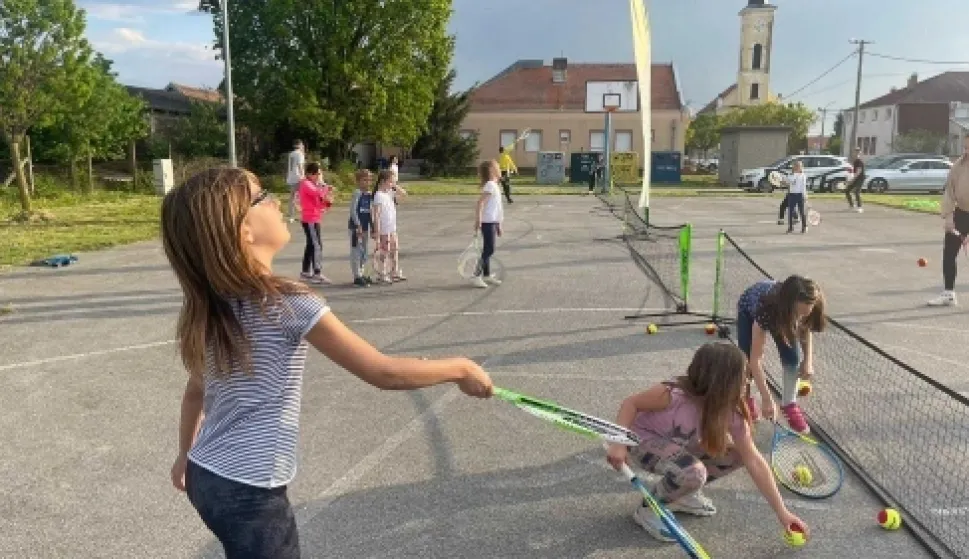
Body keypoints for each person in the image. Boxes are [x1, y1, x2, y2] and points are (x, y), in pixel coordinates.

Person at [161, 167, 493, 559]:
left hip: (206, 474)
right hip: (250, 489)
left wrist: (185, 454)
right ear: (243, 231)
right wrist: (461, 369)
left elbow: (194, 393)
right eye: (261, 195)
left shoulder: (207, 307)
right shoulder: (287, 303)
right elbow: (381, 372)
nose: (277, 200)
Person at [606, 343, 810, 543]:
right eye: (742, 378)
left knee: (737, 454)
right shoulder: (671, 395)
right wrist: (618, 443)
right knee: (693, 473)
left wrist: (782, 512)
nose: (746, 383)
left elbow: (754, 461)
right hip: (640, 440)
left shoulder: (732, 412)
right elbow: (630, 403)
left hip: (677, 447)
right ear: (720, 382)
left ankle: (681, 494)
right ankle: (649, 509)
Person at [736, 275, 826, 435]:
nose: (800, 319)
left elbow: (805, 328)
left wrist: (808, 360)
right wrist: (766, 398)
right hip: (749, 309)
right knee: (746, 361)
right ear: (788, 306)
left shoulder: (810, 302)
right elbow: (755, 359)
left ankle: (789, 404)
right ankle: (745, 398)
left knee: (793, 358)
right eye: (798, 313)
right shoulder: (766, 309)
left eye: (805, 314)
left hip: (782, 315)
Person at [928, 136, 969, 306]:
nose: (966, 151)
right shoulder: (959, 165)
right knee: (949, 253)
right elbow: (949, 192)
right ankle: (949, 293)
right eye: (965, 147)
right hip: (961, 213)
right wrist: (949, 216)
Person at [297, 163, 333, 285]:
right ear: (309, 174)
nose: (318, 176)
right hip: (310, 219)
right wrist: (325, 188)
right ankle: (317, 273)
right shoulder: (305, 183)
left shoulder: (313, 184)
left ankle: (305, 272)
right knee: (317, 245)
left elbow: (320, 201)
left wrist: (327, 202)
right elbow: (317, 193)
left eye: (319, 174)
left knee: (311, 245)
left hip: (314, 217)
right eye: (317, 174)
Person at [471, 160, 504, 289]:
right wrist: (478, 219)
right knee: (489, 250)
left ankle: (486, 275)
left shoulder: (494, 185)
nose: (500, 169)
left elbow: (497, 208)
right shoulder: (490, 185)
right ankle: (476, 275)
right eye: (498, 167)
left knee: (488, 249)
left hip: (492, 222)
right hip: (487, 222)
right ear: (492, 171)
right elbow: (480, 203)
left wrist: (499, 224)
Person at [371, 170, 401, 283]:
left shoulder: (389, 193)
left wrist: (395, 186)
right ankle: (382, 273)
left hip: (392, 227)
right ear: (383, 181)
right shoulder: (378, 195)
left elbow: (404, 194)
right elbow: (376, 215)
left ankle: (394, 272)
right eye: (390, 182)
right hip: (384, 229)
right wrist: (377, 233)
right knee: (385, 250)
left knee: (395, 248)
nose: (392, 184)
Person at [348, 169, 374, 287]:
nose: (367, 182)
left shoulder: (369, 195)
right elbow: (353, 211)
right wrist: (358, 225)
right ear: (358, 181)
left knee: (364, 252)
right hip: (355, 227)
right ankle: (356, 276)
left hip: (365, 227)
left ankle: (361, 273)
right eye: (364, 180)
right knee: (356, 252)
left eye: (369, 180)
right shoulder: (357, 193)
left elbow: (370, 213)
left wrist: (373, 227)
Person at [784, 161, 809, 234]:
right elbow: (788, 182)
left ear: (801, 167)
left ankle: (804, 227)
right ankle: (791, 228)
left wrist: (805, 196)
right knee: (790, 212)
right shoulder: (791, 175)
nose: (797, 167)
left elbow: (803, 187)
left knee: (801, 211)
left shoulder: (803, 176)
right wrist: (784, 181)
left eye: (799, 166)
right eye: (796, 166)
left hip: (799, 195)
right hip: (792, 195)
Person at [285, 140, 305, 222]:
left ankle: (291, 216)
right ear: (300, 145)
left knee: (292, 197)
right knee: (303, 197)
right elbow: (300, 166)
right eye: (302, 145)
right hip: (298, 178)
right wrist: (303, 176)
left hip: (291, 177)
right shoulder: (299, 154)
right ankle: (304, 215)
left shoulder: (291, 154)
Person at [845, 147, 865, 213]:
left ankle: (860, 207)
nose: (856, 153)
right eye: (855, 152)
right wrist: (849, 179)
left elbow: (858, 172)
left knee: (856, 192)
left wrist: (852, 180)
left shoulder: (859, 161)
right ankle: (851, 205)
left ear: (860, 153)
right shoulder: (855, 161)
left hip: (860, 179)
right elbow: (853, 172)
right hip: (856, 178)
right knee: (847, 190)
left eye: (858, 152)